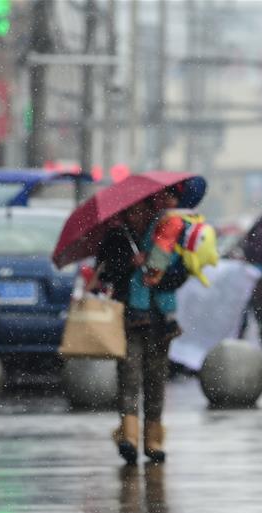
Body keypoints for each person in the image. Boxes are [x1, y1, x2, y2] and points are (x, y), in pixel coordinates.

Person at [97, 192, 178, 465]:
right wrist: (128, 266)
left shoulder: (165, 236)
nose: (138, 216)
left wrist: (158, 272)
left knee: (156, 379)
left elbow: (181, 274)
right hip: (127, 317)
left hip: (160, 319)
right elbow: (104, 273)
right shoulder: (117, 237)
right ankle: (129, 437)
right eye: (132, 212)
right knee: (129, 376)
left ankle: (153, 440)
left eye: (142, 211)